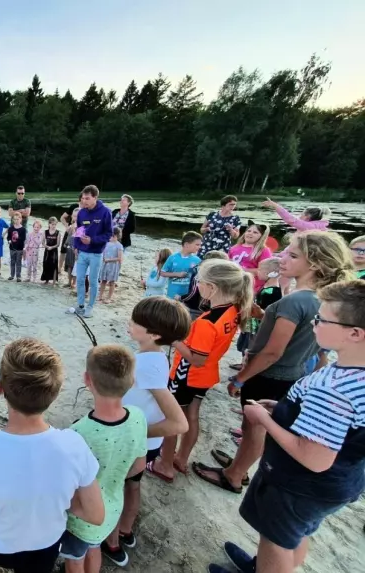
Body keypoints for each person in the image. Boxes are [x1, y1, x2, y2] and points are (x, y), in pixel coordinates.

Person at [208, 280, 365, 573]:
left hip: (300, 484)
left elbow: (315, 458)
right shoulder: (353, 371)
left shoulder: (335, 391)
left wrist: (265, 419)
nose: (314, 324)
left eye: (322, 319)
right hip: (333, 483)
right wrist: (282, 410)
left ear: (355, 333)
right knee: (296, 533)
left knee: (277, 541)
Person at [196, 231, 355, 493]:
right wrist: (266, 314)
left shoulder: (294, 301)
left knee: (254, 427)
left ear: (315, 264)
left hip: (270, 375)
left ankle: (234, 475)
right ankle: (239, 464)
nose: (282, 258)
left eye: (293, 255)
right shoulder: (322, 299)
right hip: (293, 372)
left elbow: (273, 352)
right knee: (254, 427)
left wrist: (241, 378)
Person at [0, 338, 105, 573]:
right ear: (56, 393)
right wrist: (61, 500)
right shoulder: (74, 445)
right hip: (44, 549)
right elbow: (96, 515)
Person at [148, 260, 253, 482]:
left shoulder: (208, 322)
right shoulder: (233, 310)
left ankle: (165, 464)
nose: (197, 285)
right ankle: (181, 458)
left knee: (172, 417)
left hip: (188, 375)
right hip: (207, 375)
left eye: (199, 282)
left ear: (212, 287)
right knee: (192, 416)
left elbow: (196, 359)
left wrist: (174, 339)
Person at [60, 345, 147, 572]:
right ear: (132, 381)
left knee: (75, 559)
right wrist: (112, 476)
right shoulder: (138, 417)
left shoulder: (77, 433)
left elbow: (66, 482)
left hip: (80, 517)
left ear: (87, 380)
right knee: (94, 547)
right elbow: (139, 465)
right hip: (113, 508)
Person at [118, 297, 191, 565]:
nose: (130, 322)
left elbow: (178, 423)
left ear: (155, 334)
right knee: (132, 484)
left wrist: (135, 432)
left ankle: (113, 537)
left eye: (136, 321)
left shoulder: (146, 365)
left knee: (118, 487)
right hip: (142, 444)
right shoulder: (154, 356)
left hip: (135, 444)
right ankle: (125, 530)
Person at [233, 257, 283, 370]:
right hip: (252, 322)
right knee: (245, 343)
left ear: (273, 273)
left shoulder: (272, 291)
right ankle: (243, 363)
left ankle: (246, 367)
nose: (258, 272)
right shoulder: (266, 286)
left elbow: (267, 311)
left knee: (250, 345)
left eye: (261, 270)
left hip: (257, 324)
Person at [74, 185, 114, 319]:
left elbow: (109, 234)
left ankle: (90, 307)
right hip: (82, 252)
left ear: (95, 197)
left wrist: (92, 240)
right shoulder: (81, 212)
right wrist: (76, 246)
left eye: (87, 198)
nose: (84, 201)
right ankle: (80, 305)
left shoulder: (105, 212)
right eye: (83, 198)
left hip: (96, 253)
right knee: (80, 279)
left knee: (93, 281)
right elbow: (79, 230)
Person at [180, 251, 229, 320]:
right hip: (213, 310)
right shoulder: (225, 277)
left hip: (195, 309)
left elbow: (193, 293)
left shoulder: (200, 273)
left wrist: (181, 298)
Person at [229, 221, 272, 292]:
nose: (250, 233)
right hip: (233, 284)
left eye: (255, 232)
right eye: (248, 231)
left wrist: (242, 270)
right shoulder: (234, 248)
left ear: (262, 236)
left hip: (251, 287)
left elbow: (264, 271)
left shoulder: (263, 250)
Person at [160, 231, 202, 301]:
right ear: (186, 244)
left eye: (200, 245)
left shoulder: (197, 260)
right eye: (197, 244)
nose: (200, 247)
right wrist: (177, 274)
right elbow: (162, 273)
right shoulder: (172, 257)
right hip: (172, 294)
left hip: (187, 296)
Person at [261, 198, 330, 231]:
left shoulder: (309, 227)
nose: (299, 216)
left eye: (302, 214)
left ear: (308, 216)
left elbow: (291, 219)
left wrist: (275, 205)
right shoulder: (318, 226)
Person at [99, 227, 124, 303]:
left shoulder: (119, 245)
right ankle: (100, 296)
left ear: (115, 235)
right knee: (103, 280)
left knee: (112, 282)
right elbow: (103, 252)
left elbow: (119, 258)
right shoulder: (107, 243)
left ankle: (109, 298)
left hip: (113, 266)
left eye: (111, 235)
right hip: (105, 265)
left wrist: (108, 260)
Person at [6, 213, 27, 282]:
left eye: (18, 219)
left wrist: (18, 237)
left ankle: (18, 276)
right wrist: (9, 240)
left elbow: (23, 239)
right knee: (12, 262)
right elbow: (8, 237)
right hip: (12, 248)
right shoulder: (11, 228)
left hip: (19, 248)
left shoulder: (23, 229)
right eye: (15, 219)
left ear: (21, 219)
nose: (16, 221)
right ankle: (12, 275)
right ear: (13, 220)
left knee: (18, 262)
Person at [63, 208, 79, 290]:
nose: (75, 217)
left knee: (75, 266)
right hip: (69, 248)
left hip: (76, 249)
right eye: (74, 216)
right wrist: (66, 243)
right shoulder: (71, 226)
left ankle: (74, 283)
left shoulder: (80, 227)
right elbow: (69, 236)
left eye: (77, 216)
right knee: (69, 265)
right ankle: (69, 282)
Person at [41, 217, 60, 286]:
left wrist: (52, 247)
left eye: (55, 224)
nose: (53, 226)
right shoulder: (45, 232)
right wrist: (47, 247)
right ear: (49, 224)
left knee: (54, 266)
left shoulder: (58, 233)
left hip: (54, 251)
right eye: (52, 224)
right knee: (46, 264)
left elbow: (58, 244)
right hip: (47, 251)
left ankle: (54, 282)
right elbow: (43, 242)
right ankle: (46, 280)